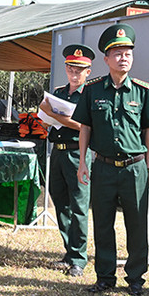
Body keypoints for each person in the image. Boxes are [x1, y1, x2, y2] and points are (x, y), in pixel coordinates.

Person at [74, 23, 149, 296]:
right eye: (118, 54)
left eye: (128, 54)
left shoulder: (143, 91)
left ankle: (135, 278)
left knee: (137, 225)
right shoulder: (92, 90)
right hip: (103, 166)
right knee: (103, 224)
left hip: (135, 167)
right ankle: (105, 277)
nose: (124, 58)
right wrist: (83, 162)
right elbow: (85, 128)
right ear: (106, 59)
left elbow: (148, 132)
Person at [39, 44, 94, 277]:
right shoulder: (59, 93)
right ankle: (69, 253)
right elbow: (47, 122)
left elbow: (83, 126)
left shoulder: (89, 95)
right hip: (58, 152)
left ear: (88, 72)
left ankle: (79, 259)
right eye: (71, 68)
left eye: (79, 70)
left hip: (77, 152)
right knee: (61, 204)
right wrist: (45, 116)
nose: (74, 73)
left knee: (79, 206)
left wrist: (54, 114)